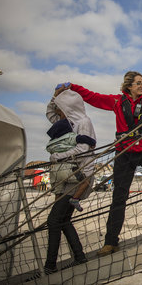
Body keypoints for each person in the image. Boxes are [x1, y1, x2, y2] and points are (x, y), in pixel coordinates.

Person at [59, 71, 142, 256]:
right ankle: (110, 242)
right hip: (124, 152)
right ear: (128, 86)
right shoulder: (117, 102)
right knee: (119, 197)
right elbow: (93, 97)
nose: (141, 85)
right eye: (138, 83)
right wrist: (72, 86)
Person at [43, 86, 97, 275]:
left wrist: (58, 156)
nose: (57, 112)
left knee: (53, 220)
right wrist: (55, 96)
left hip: (79, 176)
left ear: (67, 108)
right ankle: (79, 256)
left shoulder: (83, 121)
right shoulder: (63, 122)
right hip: (65, 175)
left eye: (60, 107)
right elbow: (50, 112)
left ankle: (50, 266)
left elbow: (84, 149)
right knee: (64, 219)